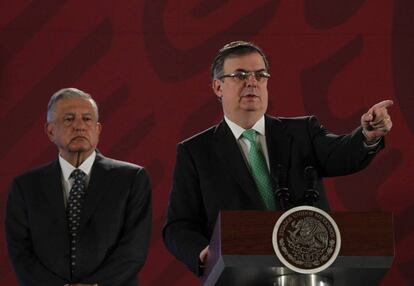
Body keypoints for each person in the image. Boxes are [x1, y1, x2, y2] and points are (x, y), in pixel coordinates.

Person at [162, 41, 393, 275]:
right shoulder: (196, 152)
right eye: (240, 75)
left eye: (260, 75)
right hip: (241, 276)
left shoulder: (302, 132)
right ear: (218, 87)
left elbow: (343, 154)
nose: (252, 82)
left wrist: (367, 135)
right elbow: (179, 226)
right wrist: (204, 253)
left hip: (311, 270)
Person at [5, 88, 152, 286]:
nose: (79, 126)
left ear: (98, 129)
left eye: (87, 119)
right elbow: (21, 253)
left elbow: (134, 249)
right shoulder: (25, 187)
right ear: (50, 131)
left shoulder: (132, 179)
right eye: (69, 119)